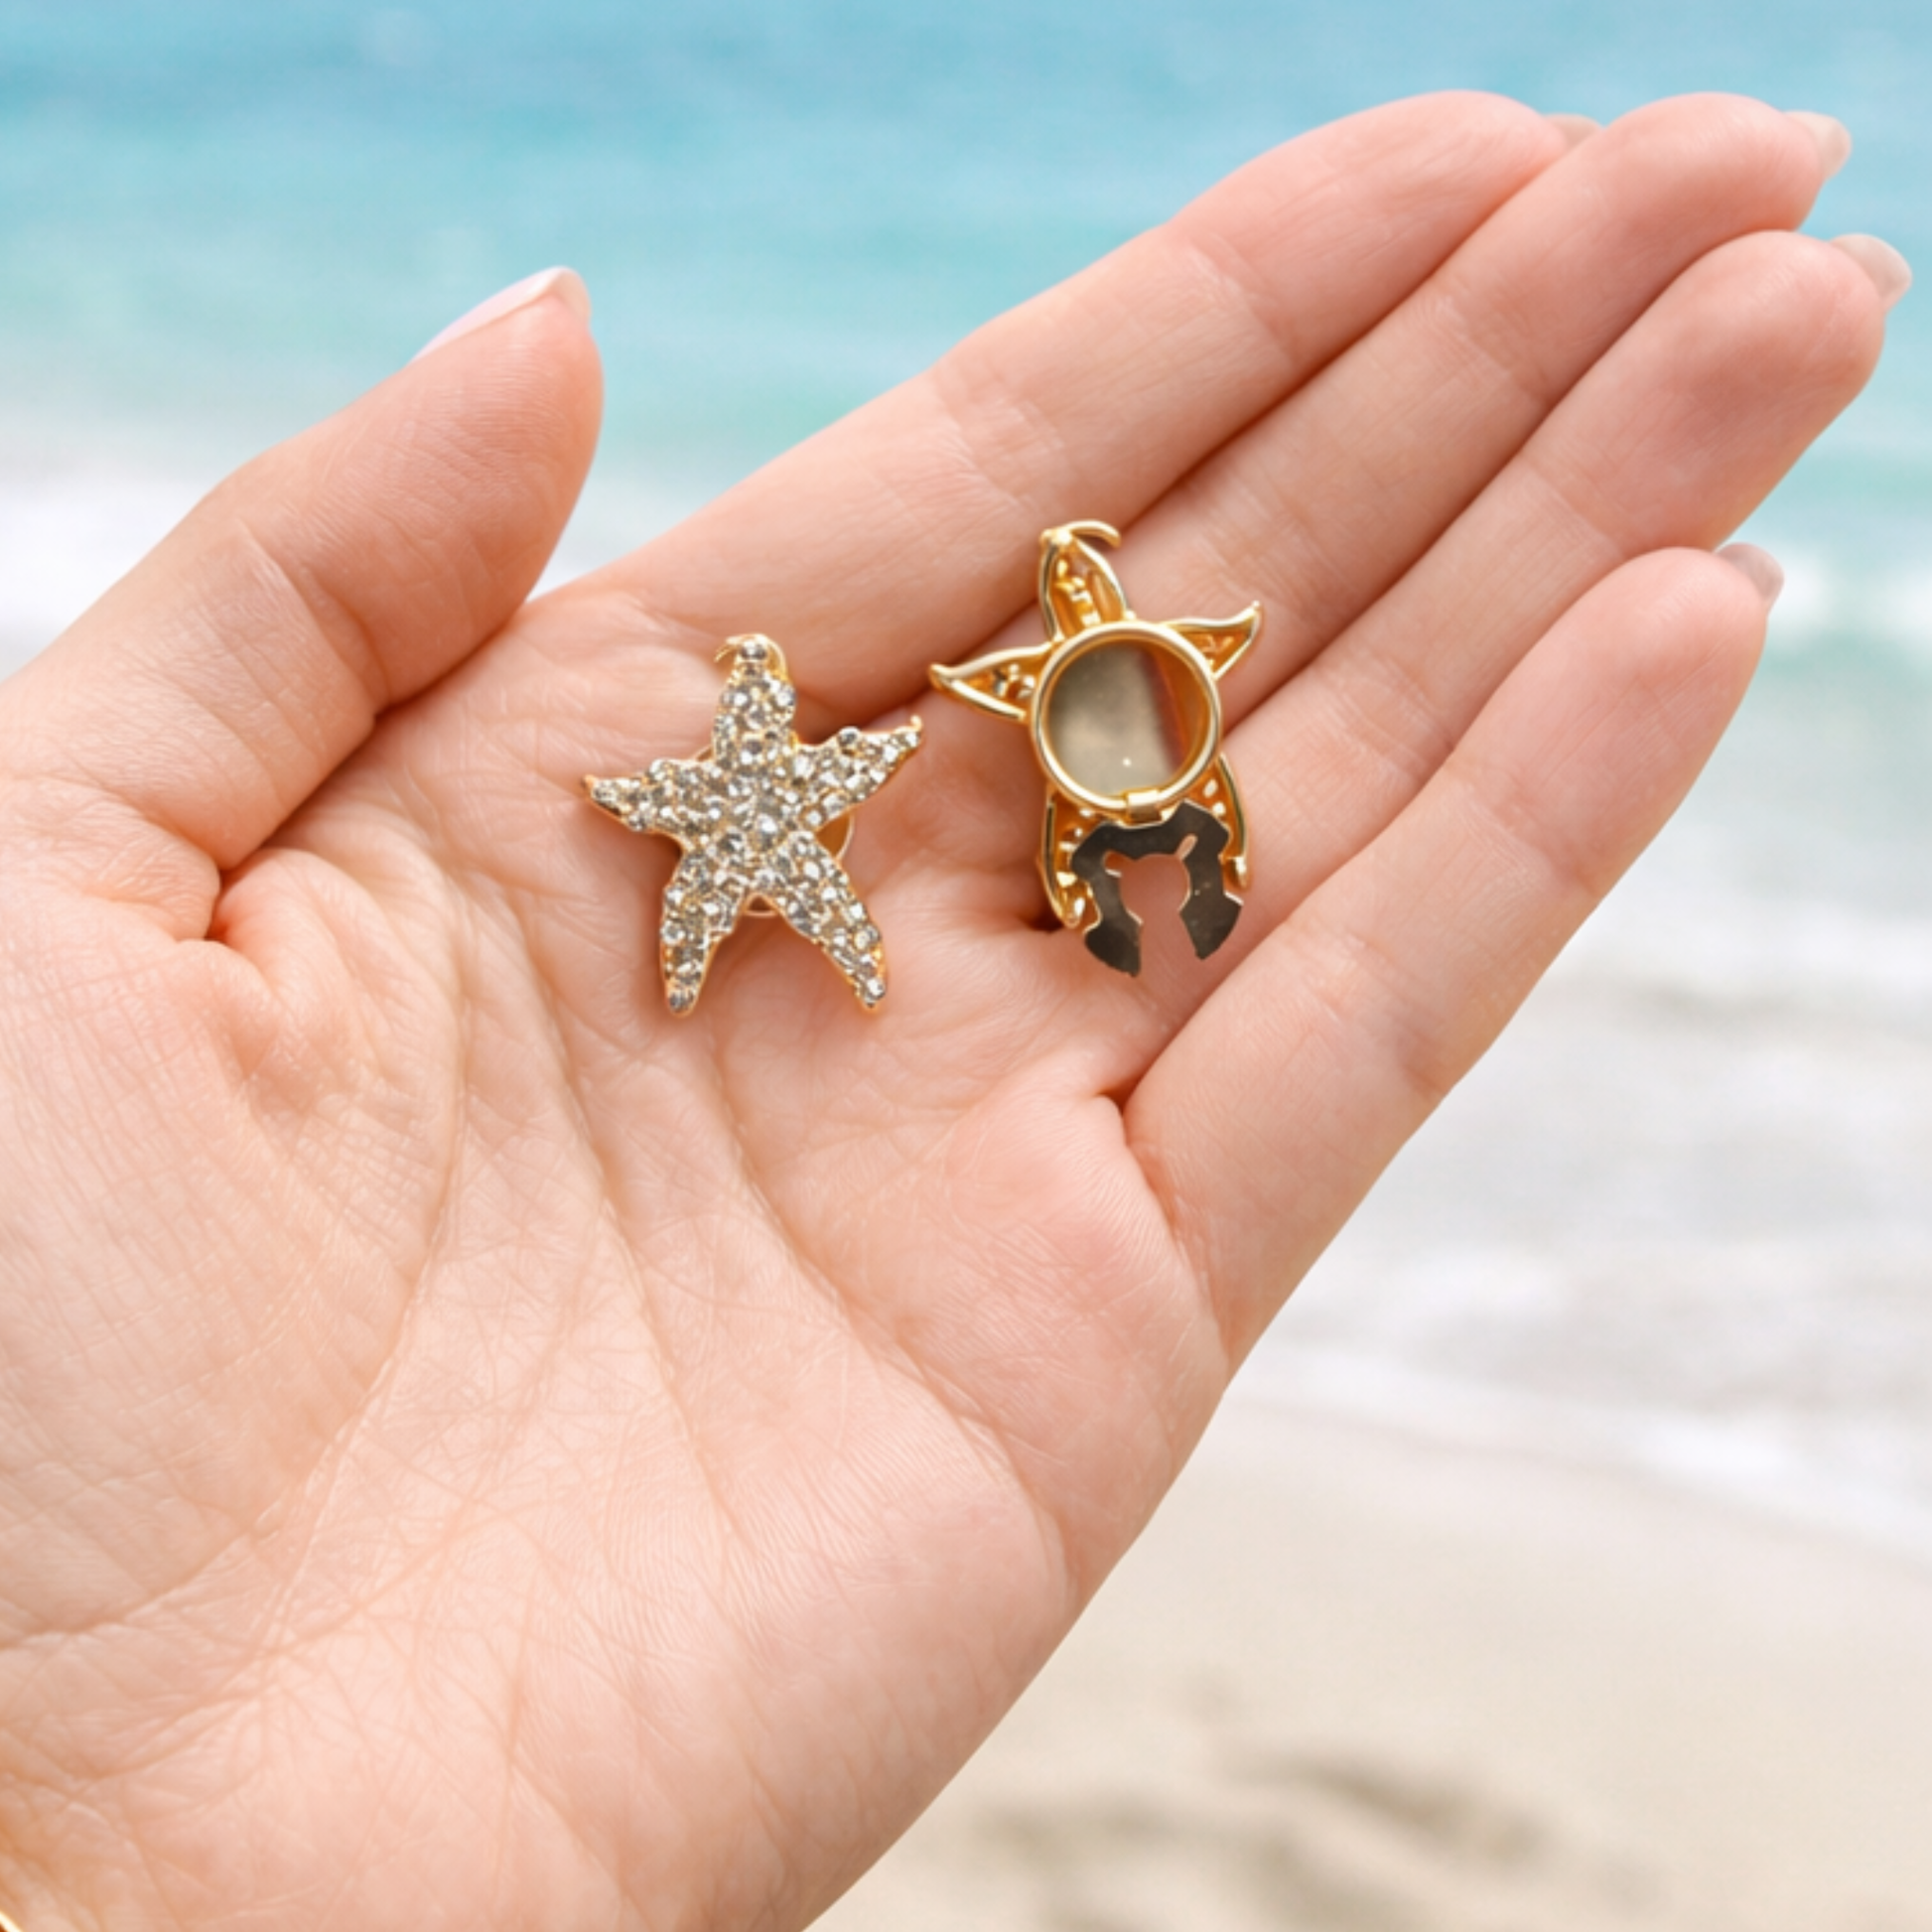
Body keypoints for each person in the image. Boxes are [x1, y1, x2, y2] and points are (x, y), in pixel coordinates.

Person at [0, 90, 1906, 1932]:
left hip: (1053, 747)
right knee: (1152, 829)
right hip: (1072, 749)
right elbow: (1095, 684)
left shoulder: (939, 717)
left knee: (1145, 839)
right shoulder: (843, 760)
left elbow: (1071, 686)